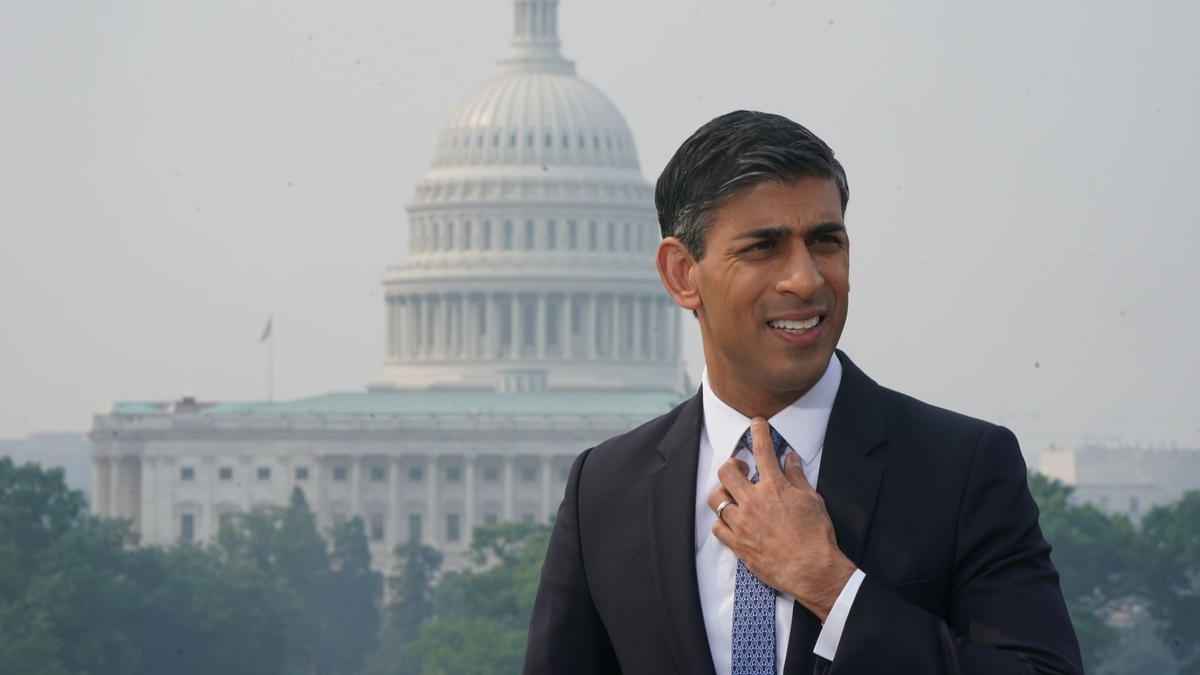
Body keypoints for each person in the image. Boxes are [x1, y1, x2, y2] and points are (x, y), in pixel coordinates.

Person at [522, 110, 1083, 675]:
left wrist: (833, 588)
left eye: (825, 242)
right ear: (681, 273)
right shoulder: (605, 488)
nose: (807, 279)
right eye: (764, 247)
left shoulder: (960, 469)